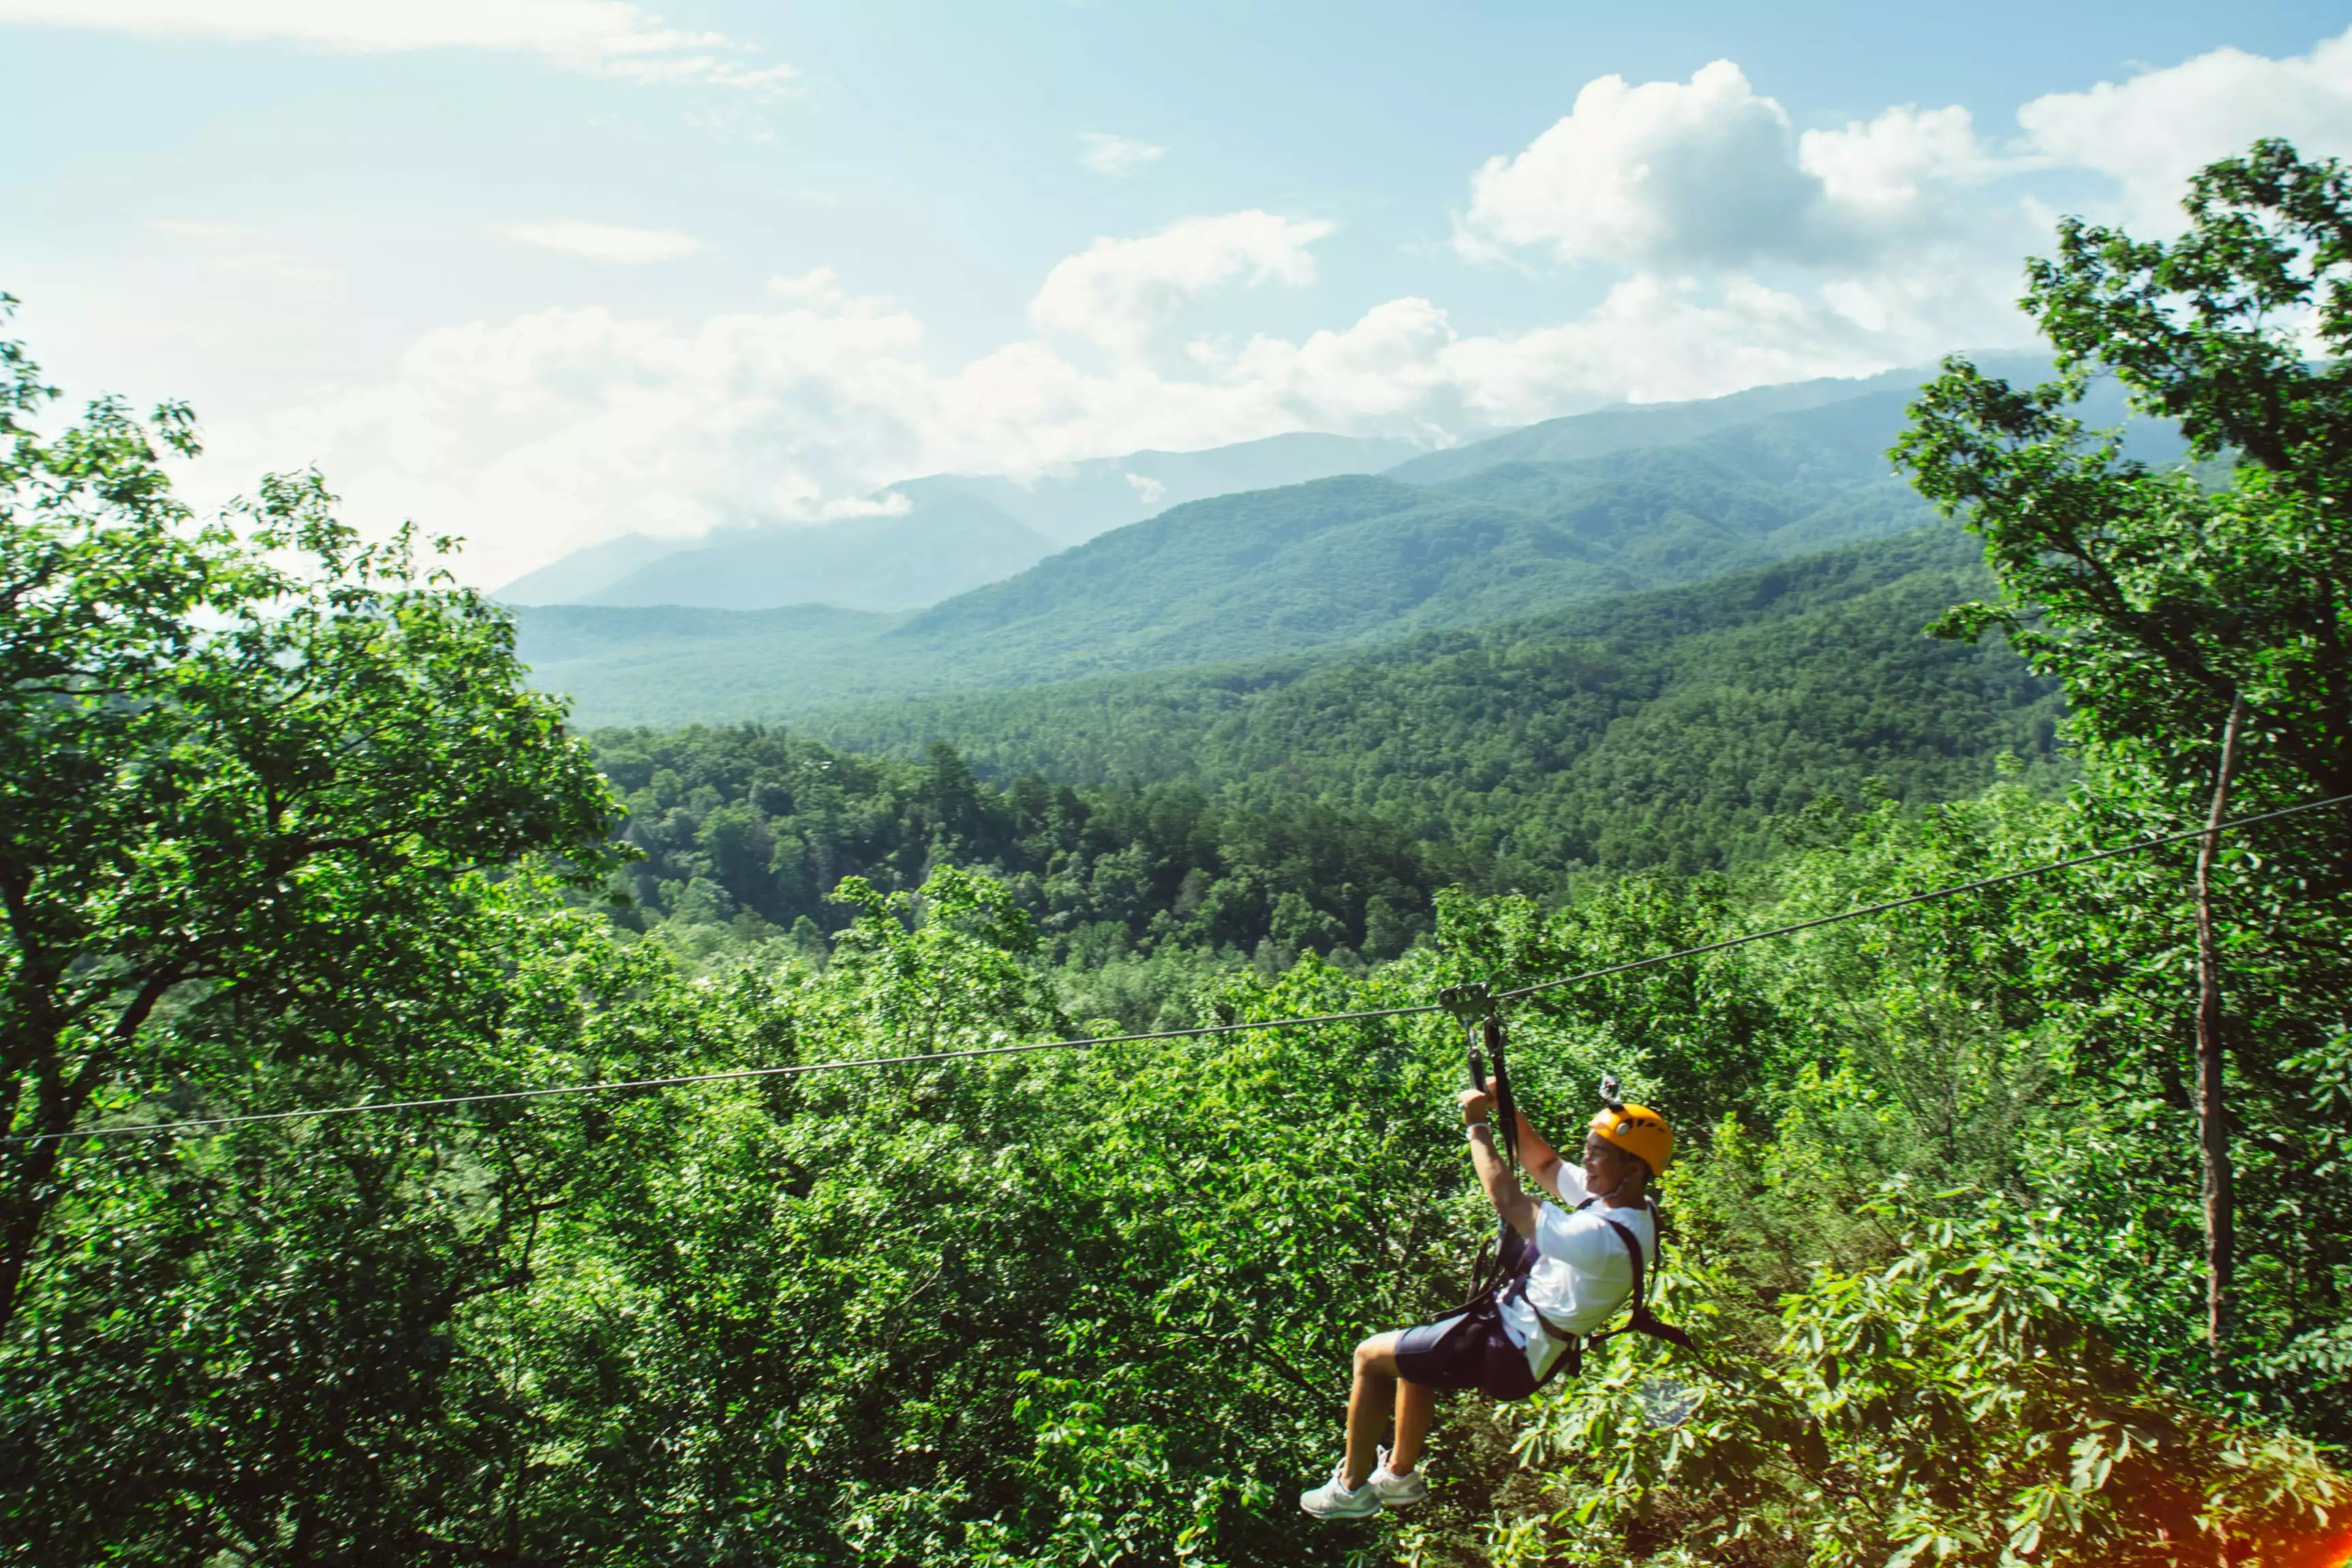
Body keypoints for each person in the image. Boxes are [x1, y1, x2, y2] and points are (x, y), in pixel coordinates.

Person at [1297, 1079, 1673, 1521]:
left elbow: (1507, 1198)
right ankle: (1399, 1477)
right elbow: (1547, 1165)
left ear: (1632, 1169)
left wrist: (1477, 1125)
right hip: (1521, 1341)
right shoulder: (1629, 1205)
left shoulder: (1599, 1238)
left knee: (1369, 1357)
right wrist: (1506, 1107)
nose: (1586, 1162)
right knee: (1413, 1360)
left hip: (1509, 1349)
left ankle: (1350, 1489)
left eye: (1598, 1154)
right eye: (1588, 1150)